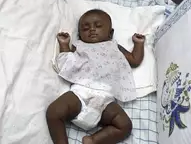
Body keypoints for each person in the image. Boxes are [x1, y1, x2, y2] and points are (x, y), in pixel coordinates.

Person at [46, 9, 145, 144]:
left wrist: (139, 44)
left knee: (125, 125)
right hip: (81, 92)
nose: (92, 30)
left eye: (98, 26)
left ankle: (94, 140)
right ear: (80, 35)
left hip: (106, 98)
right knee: (53, 112)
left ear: (110, 33)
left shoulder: (114, 46)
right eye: (85, 28)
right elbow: (67, 61)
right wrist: (64, 44)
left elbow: (134, 60)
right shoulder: (80, 46)